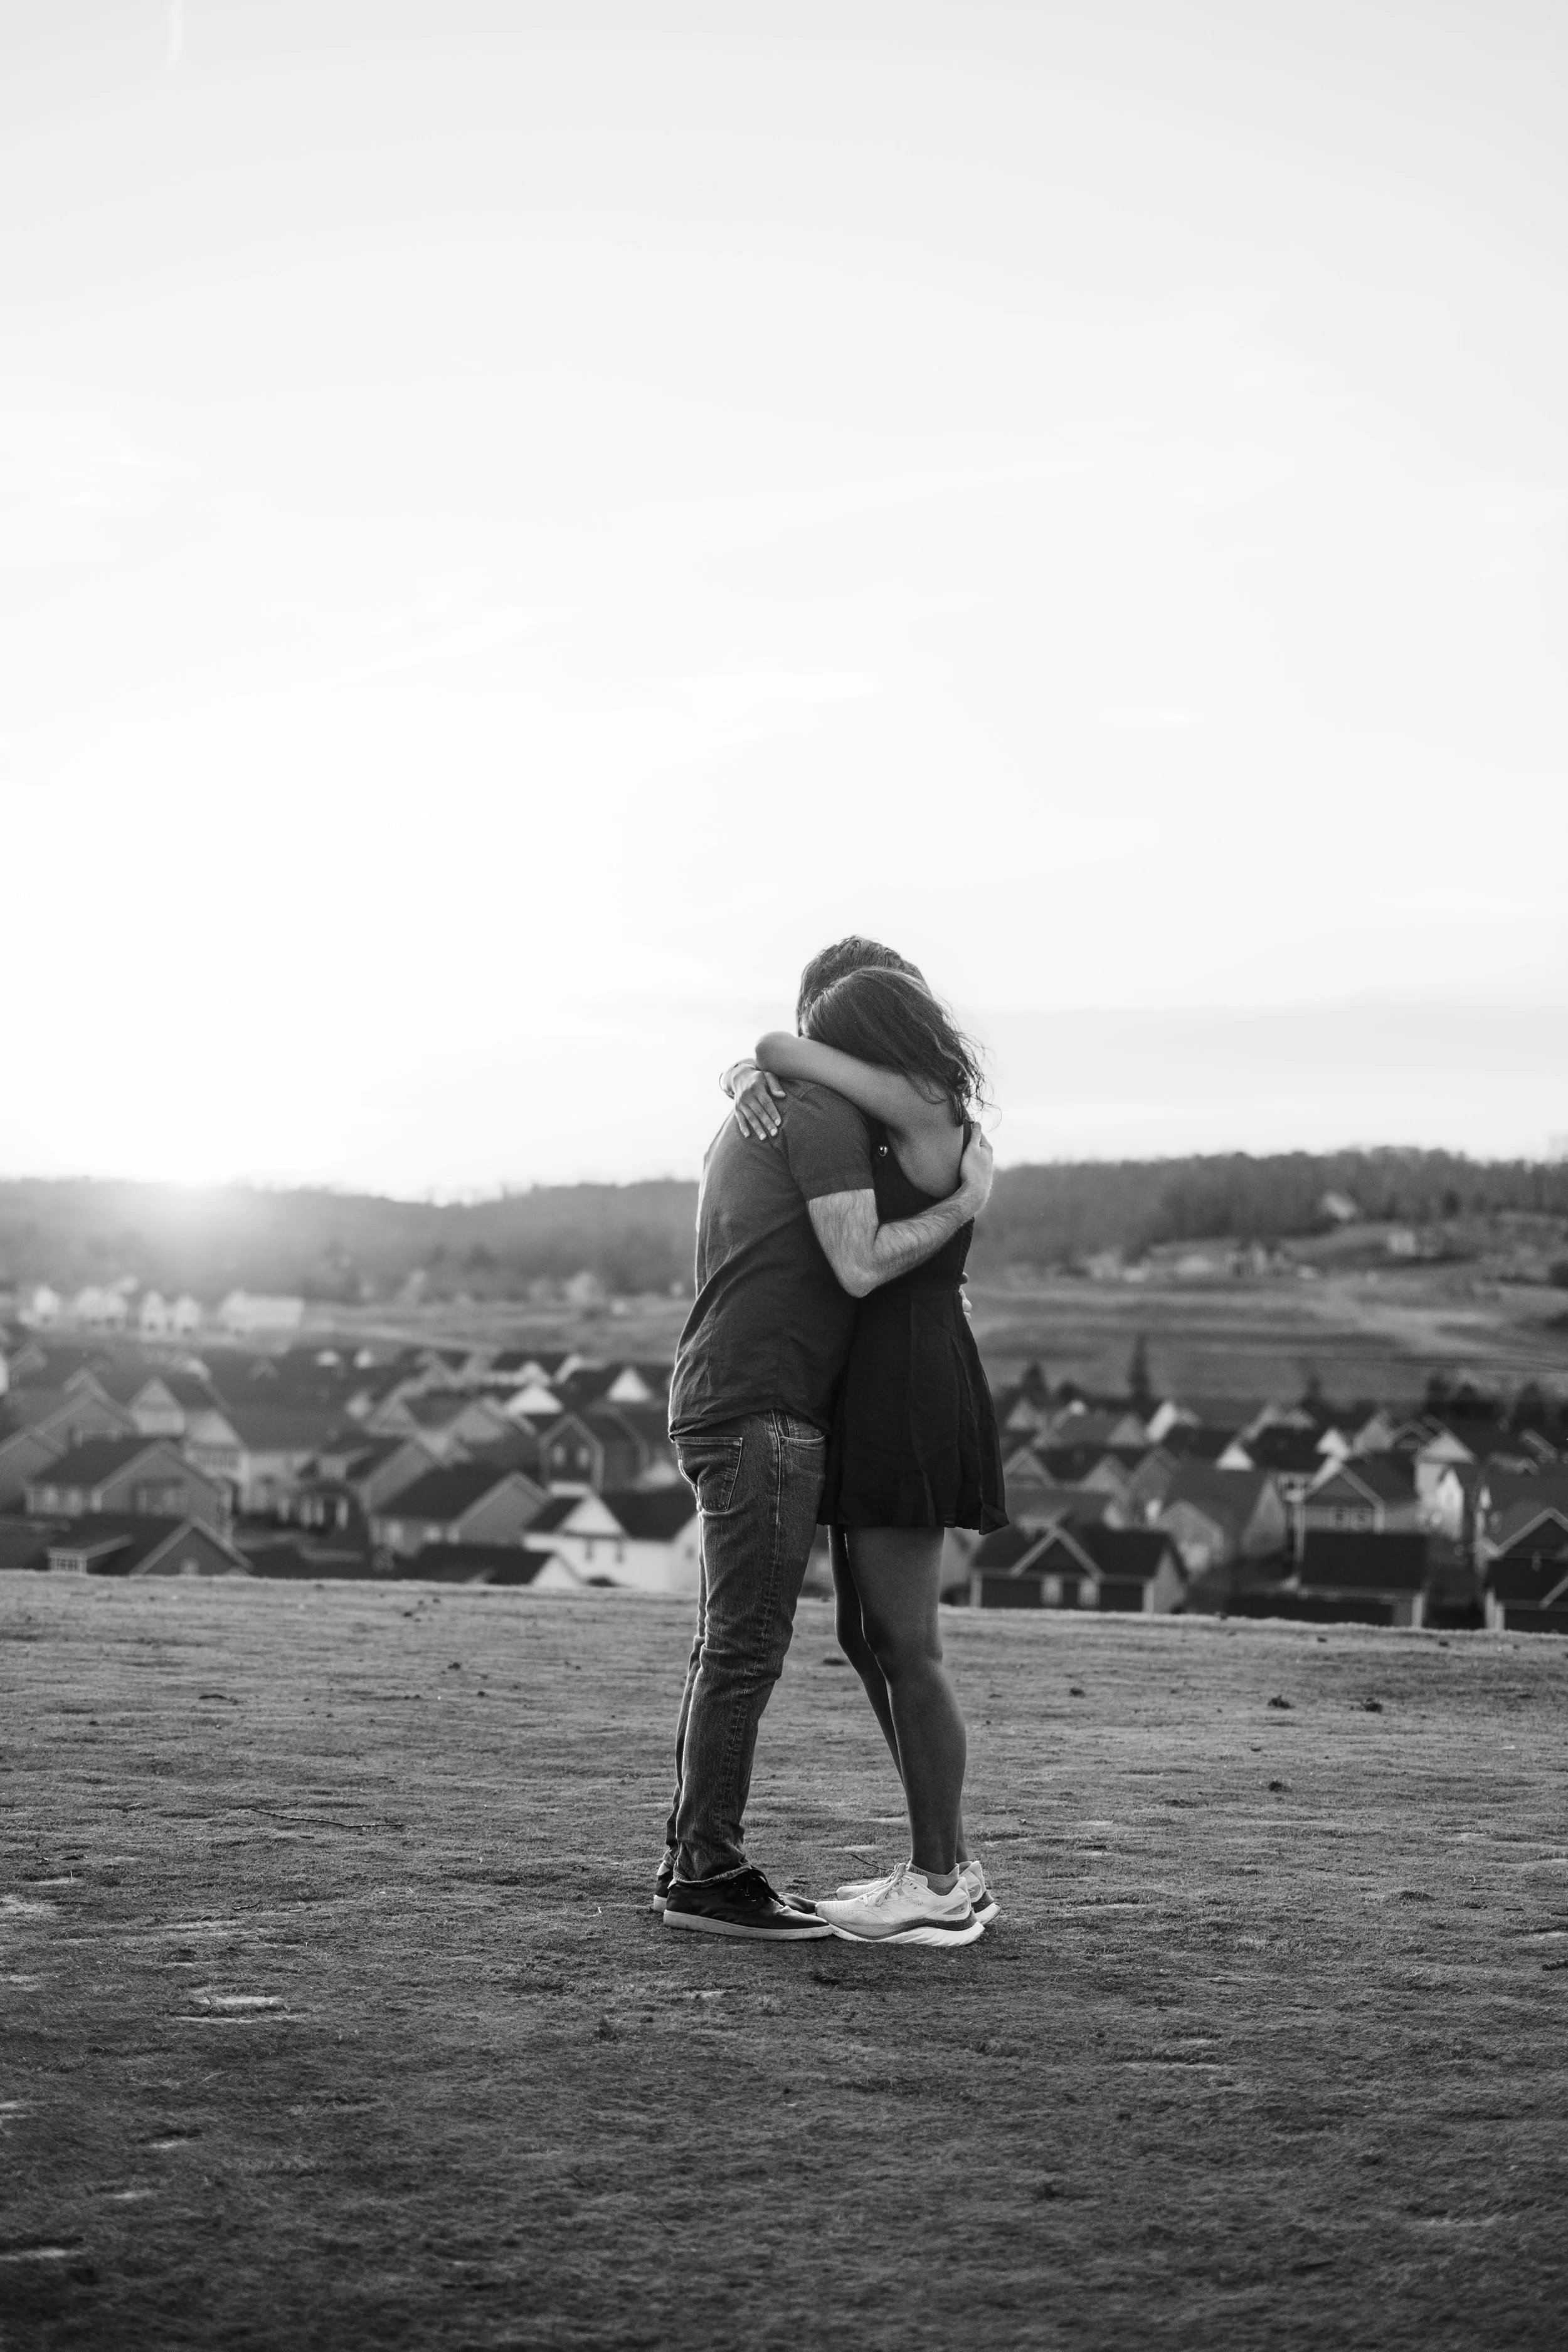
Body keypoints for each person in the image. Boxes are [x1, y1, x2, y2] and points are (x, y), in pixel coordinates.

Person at [660, 945, 996, 1941]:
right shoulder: (825, 1109)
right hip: (820, 1394)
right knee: (845, 1637)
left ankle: (938, 1872)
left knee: (875, 1639)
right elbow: (773, 1051)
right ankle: (926, 1867)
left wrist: (962, 1203)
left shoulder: (918, 1113)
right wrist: (755, 1070)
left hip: (890, 1388)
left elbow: (856, 1261)